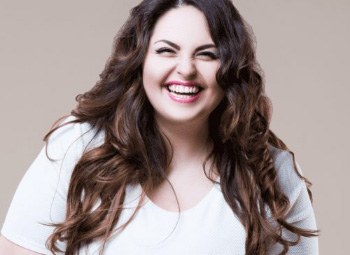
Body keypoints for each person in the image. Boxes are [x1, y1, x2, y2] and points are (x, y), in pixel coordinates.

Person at [0, 0, 319, 254]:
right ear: (139, 61)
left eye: (207, 55)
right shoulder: (77, 147)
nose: (186, 69)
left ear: (231, 69)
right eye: (167, 50)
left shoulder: (273, 172)